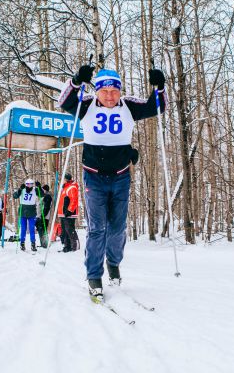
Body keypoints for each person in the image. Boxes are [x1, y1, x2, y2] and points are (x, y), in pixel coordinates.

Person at [58, 65, 166, 299]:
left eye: (113, 91)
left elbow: (156, 107)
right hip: (93, 177)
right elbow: (64, 101)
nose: (109, 96)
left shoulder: (128, 105)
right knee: (97, 229)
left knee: (117, 228)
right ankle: (94, 275)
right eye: (104, 90)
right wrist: (76, 81)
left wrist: (160, 87)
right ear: (97, 91)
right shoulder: (85, 104)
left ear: (119, 91)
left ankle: (113, 263)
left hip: (120, 177)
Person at [13, 178, 39, 251]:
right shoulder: (22, 190)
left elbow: (42, 194)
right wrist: (19, 189)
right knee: (23, 229)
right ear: (25, 184)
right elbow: (15, 196)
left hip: (32, 212)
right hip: (23, 211)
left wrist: (39, 187)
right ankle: (22, 243)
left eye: (31, 184)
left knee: (32, 229)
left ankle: (33, 244)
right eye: (27, 184)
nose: (29, 186)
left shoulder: (35, 190)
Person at [57, 174, 80, 253]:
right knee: (65, 230)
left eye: (63, 179)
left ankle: (75, 245)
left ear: (66, 179)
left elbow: (74, 199)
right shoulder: (65, 188)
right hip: (63, 213)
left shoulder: (71, 187)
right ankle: (67, 246)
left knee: (69, 229)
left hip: (69, 213)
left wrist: (70, 210)